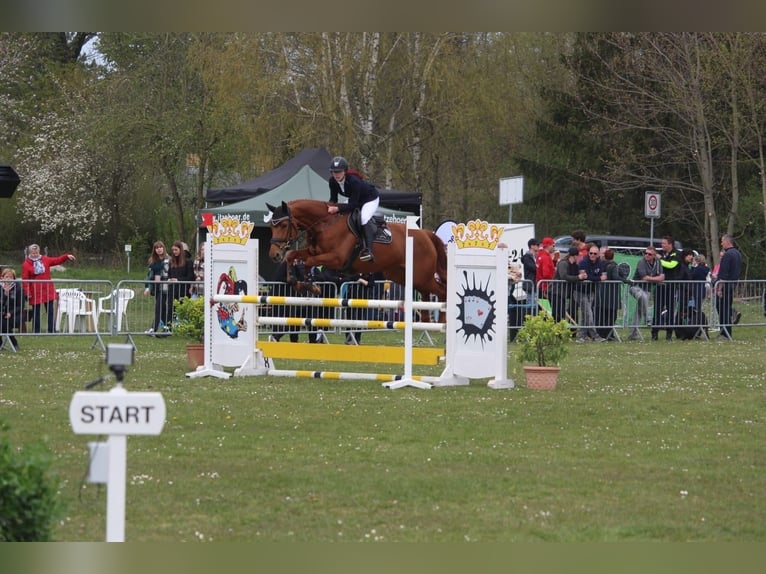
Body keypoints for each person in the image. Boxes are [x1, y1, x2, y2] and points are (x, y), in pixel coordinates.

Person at [327, 156, 380, 262]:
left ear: (345, 171)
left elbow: (353, 205)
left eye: (339, 172)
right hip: (355, 200)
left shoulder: (354, 181)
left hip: (369, 199)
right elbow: (333, 199)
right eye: (334, 172)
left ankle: (368, 250)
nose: (336, 174)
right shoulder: (332, 181)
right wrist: (328, 208)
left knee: (364, 218)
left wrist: (337, 209)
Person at [21, 243, 76, 333]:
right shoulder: (26, 264)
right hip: (35, 291)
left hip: (47, 290)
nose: (35, 254)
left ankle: (52, 330)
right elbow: (25, 279)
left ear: (39, 251)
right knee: (36, 312)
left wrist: (66, 256)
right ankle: (36, 331)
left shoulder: (45, 260)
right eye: (33, 253)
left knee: (50, 311)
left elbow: (57, 260)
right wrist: (27, 292)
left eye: (36, 252)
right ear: (29, 253)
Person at [627, 245, 664, 341]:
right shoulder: (641, 262)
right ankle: (648, 318)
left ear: (654, 255)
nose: (647, 255)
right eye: (645, 253)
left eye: (649, 254)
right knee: (641, 296)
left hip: (647, 289)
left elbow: (662, 277)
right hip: (636, 287)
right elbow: (644, 277)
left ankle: (633, 334)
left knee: (639, 311)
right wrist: (656, 279)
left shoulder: (658, 262)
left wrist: (653, 279)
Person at [712, 234, 742, 339]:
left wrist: (719, 288)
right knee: (723, 307)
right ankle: (727, 329)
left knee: (722, 309)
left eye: (722, 241)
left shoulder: (728, 255)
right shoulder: (737, 253)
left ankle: (725, 333)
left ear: (727, 242)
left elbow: (723, 273)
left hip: (725, 285)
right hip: (732, 284)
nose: (721, 243)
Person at [653, 235, 682, 341]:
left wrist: (660, 260)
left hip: (671, 287)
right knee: (657, 310)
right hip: (660, 286)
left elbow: (671, 265)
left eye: (664, 243)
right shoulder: (661, 253)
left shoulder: (677, 254)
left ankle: (669, 334)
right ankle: (654, 333)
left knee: (670, 310)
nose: (662, 245)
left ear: (670, 244)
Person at [574, 243, 605, 343]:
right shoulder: (583, 262)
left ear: (598, 254)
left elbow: (603, 277)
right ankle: (595, 336)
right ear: (588, 253)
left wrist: (595, 278)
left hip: (591, 291)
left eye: (595, 253)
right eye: (591, 253)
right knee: (589, 314)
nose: (592, 255)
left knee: (585, 315)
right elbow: (584, 276)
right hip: (580, 291)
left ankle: (581, 336)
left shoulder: (600, 263)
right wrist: (598, 278)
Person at [595, 248, 628, 340]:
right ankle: (609, 334)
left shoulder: (601, 265)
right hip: (611, 296)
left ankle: (601, 333)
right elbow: (616, 277)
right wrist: (626, 281)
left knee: (602, 316)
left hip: (601, 295)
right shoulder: (613, 266)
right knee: (611, 316)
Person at [166, 240, 196, 326]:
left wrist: (178, 280)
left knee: (183, 309)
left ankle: (184, 327)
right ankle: (168, 327)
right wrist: (169, 279)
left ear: (180, 250)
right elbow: (169, 274)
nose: (174, 252)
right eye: (173, 250)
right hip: (172, 290)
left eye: (176, 250)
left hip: (184, 291)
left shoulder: (188, 262)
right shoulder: (171, 262)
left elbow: (190, 277)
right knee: (171, 308)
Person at [143, 240, 171, 334]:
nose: (159, 249)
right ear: (154, 250)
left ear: (163, 248)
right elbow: (149, 275)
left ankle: (153, 328)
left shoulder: (168, 260)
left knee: (158, 307)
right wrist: (147, 287)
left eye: (160, 247)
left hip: (166, 288)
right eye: (157, 248)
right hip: (157, 288)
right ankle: (167, 327)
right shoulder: (153, 261)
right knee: (162, 308)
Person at [548, 246, 580, 325]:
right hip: (556, 292)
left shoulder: (575, 265)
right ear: (574, 256)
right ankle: (557, 333)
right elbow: (564, 276)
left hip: (564, 293)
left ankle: (566, 332)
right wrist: (578, 277)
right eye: (577, 255)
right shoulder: (563, 263)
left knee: (565, 313)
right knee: (558, 314)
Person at [0, 268, 25, 350]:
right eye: (6, 276)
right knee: (2, 321)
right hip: (2, 313)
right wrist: (5, 294)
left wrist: (10, 313)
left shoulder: (18, 288)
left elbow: (20, 306)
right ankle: (9, 344)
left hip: (15, 314)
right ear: (2, 277)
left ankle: (13, 343)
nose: (8, 279)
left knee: (2, 322)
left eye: (10, 277)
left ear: (14, 278)